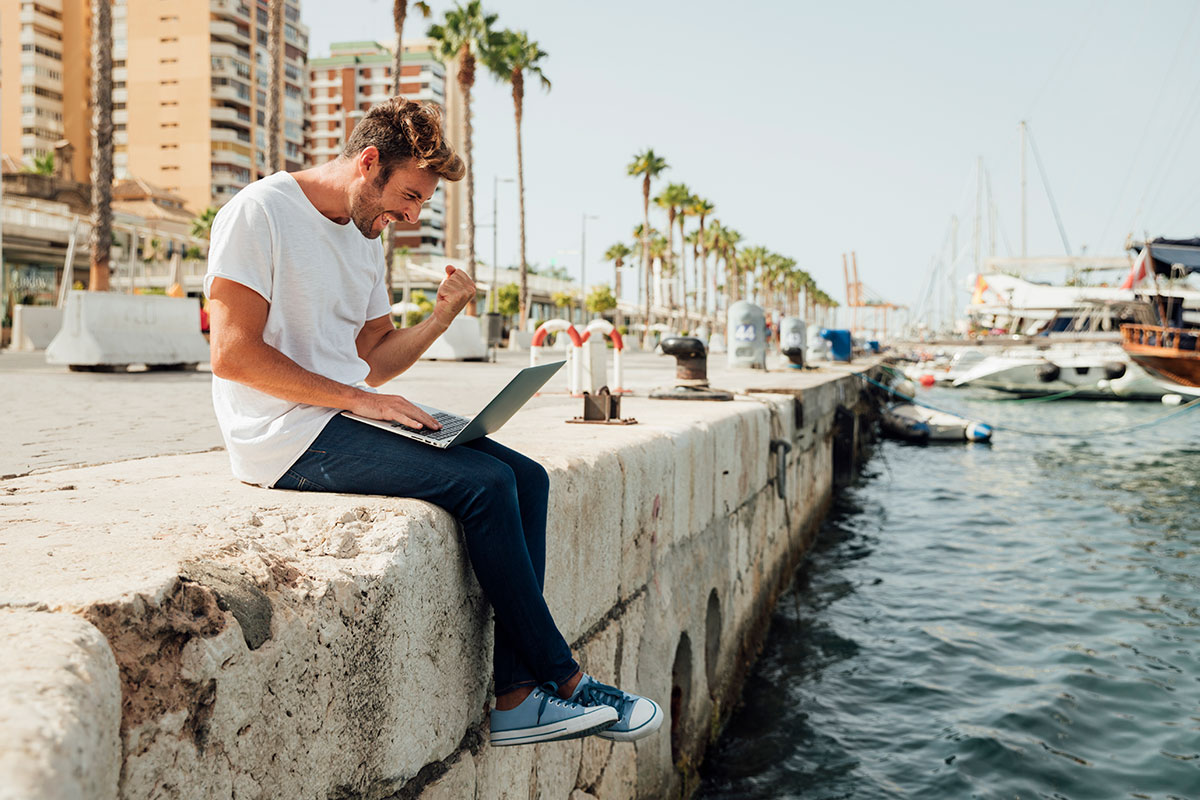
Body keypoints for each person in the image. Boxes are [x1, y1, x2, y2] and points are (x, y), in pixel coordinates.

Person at [203, 96, 661, 747]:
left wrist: (440, 319)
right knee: (485, 485)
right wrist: (356, 399)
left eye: (421, 204)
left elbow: (373, 359)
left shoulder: (365, 237)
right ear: (368, 162)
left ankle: (515, 697)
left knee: (526, 477)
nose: (411, 215)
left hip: (342, 417)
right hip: (282, 436)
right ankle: (564, 680)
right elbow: (231, 353)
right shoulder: (260, 213)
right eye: (410, 196)